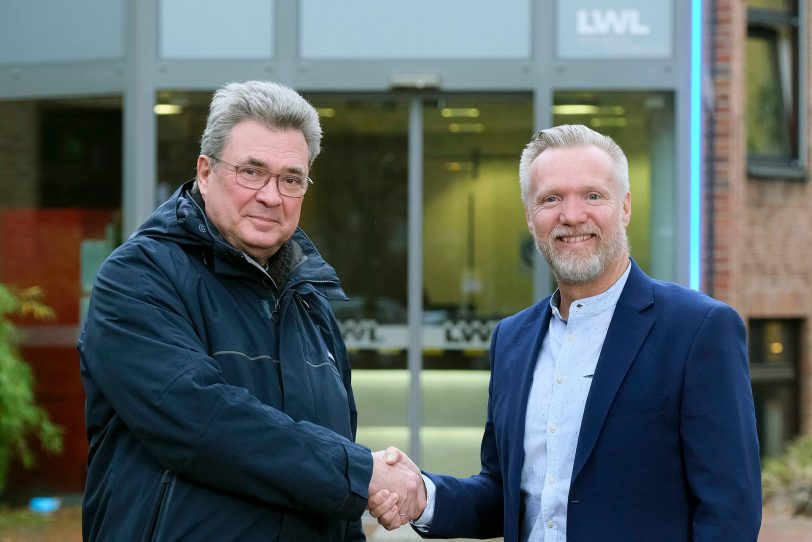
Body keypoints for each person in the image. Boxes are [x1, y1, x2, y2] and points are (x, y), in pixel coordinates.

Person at [370, 124, 762, 541]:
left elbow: (729, 514)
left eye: (593, 196)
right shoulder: (512, 340)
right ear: (529, 216)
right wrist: (424, 496)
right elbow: (504, 494)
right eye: (551, 199)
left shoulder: (698, 330)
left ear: (625, 207)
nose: (572, 216)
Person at [79, 80, 423, 541]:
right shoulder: (139, 277)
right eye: (251, 171)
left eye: (291, 179)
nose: (270, 195)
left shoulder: (309, 299)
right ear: (205, 172)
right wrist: (360, 472)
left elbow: (331, 463)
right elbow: (202, 421)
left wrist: (355, 480)